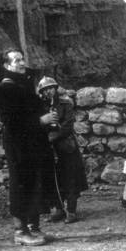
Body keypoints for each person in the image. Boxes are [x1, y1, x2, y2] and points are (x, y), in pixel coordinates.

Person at [0, 49, 58, 246]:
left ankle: (34, 228)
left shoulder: (24, 84)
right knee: (21, 183)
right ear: (6, 65)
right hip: (18, 146)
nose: (22, 63)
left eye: (22, 59)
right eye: (16, 60)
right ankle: (20, 231)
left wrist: (46, 117)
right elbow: (11, 122)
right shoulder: (4, 89)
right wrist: (40, 120)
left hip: (33, 144)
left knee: (35, 182)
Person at [37, 77, 88, 224]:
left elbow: (67, 126)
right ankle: (58, 209)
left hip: (66, 147)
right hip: (49, 149)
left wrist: (52, 136)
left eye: (51, 88)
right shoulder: (41, 107)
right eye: (45, 90)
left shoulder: (66, 104)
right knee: (53, 179)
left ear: (56, 88)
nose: (49, 91)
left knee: (70, 177)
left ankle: (71, 210)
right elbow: (40, 125)